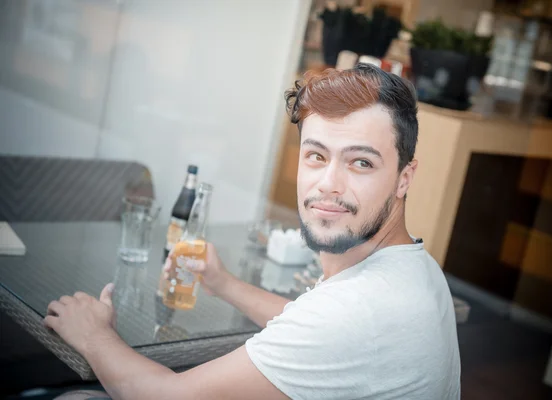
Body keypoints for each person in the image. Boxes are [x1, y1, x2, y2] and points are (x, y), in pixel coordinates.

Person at [46, 63, 460, 399]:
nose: (328, 183)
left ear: (405, 178)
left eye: (361, 163)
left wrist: (93, 334)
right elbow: (313, 326)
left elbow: (167, 395)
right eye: (316, 155)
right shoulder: (418, 268)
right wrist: (223, 283)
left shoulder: (358, 311)